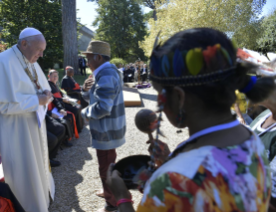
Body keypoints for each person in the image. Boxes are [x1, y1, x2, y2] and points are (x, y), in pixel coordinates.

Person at [106, 28, 273, 212]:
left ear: (179, 97)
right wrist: (171, 159)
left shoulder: (172, 183)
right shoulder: (251, 138)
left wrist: (122, 199)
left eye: (159, 93)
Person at [0, 27, 55, 212]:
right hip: (15, 130)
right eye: (39, 50)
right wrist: (37, 100)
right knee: (24, 171)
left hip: (33, 125)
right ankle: (27, 207)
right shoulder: (2, 62)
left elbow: (39, 86)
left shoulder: (31, 60)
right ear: (24, 43)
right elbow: (2, 106)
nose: (41, 55)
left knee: (38, 165)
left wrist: (44, 94)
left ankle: (41, 201)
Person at [81, 40, 126, 212]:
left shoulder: (105, 73)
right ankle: (110, 193)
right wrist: (86, 91)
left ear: (98, 57)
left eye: (89, 58)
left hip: (106, 131)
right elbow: (97, 99)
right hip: (110, 129)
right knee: (109, 164)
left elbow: (103, 108)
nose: (87, 63)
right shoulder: (107, 71)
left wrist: (83, 114)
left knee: (105, 168)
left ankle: (112, 204)